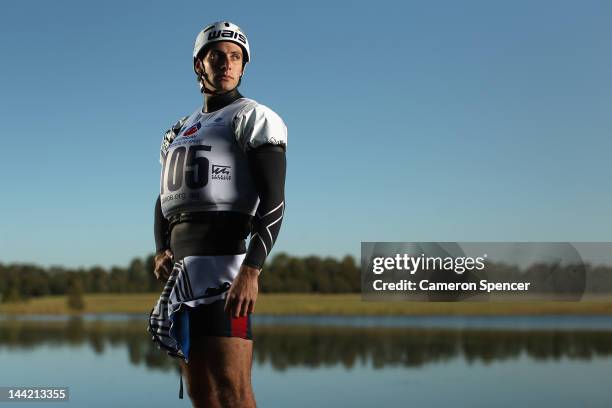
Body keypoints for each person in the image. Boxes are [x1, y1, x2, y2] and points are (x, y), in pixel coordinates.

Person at [147, 21, 287, 407]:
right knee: (201, 393)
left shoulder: (253, 117)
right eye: (217, 56)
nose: (226, 63)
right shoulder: (178, 130)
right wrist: (161, 248)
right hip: (183, 273)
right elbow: (164, 199)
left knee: (233, 389)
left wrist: (252, 270)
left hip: (225, 268)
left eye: (235, 57)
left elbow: (274, 199)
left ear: (243, 66)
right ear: (199, 65)